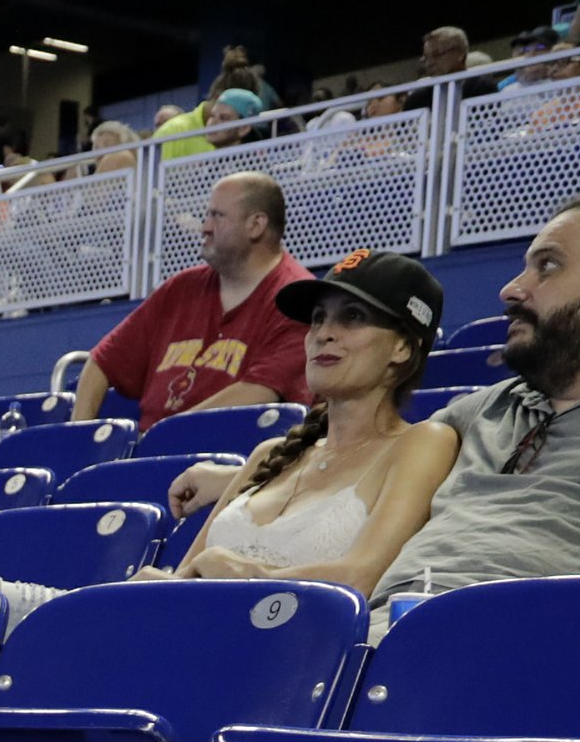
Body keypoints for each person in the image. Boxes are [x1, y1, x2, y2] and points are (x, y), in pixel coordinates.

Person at [172, 195, 580, 607]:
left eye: (546, 266)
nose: (510, 289)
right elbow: (373, 447)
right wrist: (236, 478)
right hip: (382, 638)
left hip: (533, 647)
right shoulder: (488, 408)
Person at [153, 252, 458, 598]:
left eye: (353, 317)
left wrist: (249, 575)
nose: (324, 333)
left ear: (403, 346)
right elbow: (185, 577)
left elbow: (363, 578)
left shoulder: (423, 442)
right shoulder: (269, 454)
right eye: (318, 318)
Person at [72, 173, 310, 430]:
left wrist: (166, 433)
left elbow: (260, 392)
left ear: (256, 225)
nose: (204, 227)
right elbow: (101, 363)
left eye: (217, 216)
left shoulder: (297, 297)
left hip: (232, 457)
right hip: (150, 452)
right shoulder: (179, 289)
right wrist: (78, 436)